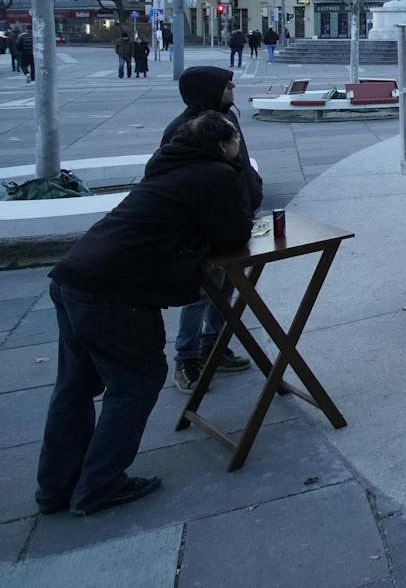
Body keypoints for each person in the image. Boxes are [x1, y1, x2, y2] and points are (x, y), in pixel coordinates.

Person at [36, 111, 254, 516]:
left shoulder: (167, 165)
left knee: (75, 385)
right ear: (223, 145)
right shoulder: (216, 174)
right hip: (114, 292)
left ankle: (55, 486)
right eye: (236, 142)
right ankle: (99, 484)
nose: (240, 147)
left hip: (74, 275)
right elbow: (235, 231)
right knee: (137, 380)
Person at [163, 67, 262, 390]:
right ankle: (186, 358)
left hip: (233, 220)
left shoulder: (226, 117)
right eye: (225, 84)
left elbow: (239, 163)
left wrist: (253, 186)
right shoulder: (186, 129)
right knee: (200, 295)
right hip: (203, 230)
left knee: (226, 290)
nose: (232, 87)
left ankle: (213, 347)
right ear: (208, 90)